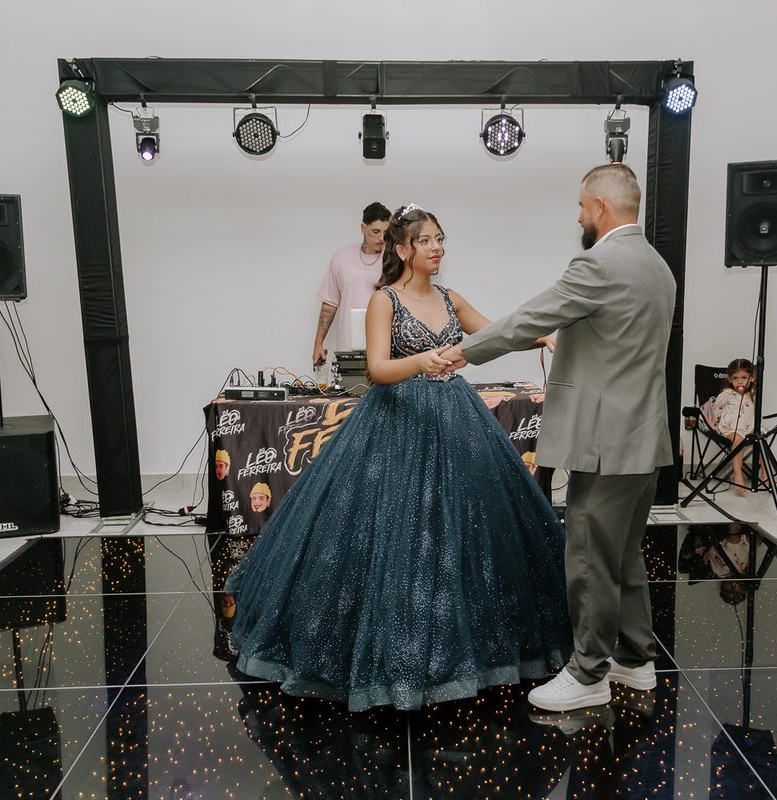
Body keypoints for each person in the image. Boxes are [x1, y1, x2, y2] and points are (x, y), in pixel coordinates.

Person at [224, 204, 568, 712]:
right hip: (396, 419)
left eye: (440, 239)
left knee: (464, 526)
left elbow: (494, 334)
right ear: (404, 249)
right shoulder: (384, 300)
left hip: (454, 416)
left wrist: (543, 335)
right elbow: (378, 370)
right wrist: (421, 362)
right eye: (426, 240)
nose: (437, 248)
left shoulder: (451, 298)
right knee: (395, 527)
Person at [439, 164, 676, 713]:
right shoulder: (657, 265)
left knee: (589, 558)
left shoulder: (599, 264)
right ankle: (636, 660)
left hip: (605, 441)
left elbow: (531, 318)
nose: (579, 216)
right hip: (644, 438)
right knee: (624, 556)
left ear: (600, 206)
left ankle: (589, 673)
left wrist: (462, 351)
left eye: (581, 206)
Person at [312, 202, 391, 366]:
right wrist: (318, 343)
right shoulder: (342, 256)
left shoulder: (393, 259)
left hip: (385, 351)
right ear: (363, 228)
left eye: (386, 232)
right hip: (347, 350)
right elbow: (330, 302)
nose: (382, 238)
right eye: (376, 232)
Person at [705, 358, 769, 494]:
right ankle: (738, 475)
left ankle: (765, 472)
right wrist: (716, 427)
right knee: (738, 439)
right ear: (730, 379)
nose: (740, 382)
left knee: (761, 437)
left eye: (744, 378)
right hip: (731, 428)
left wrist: (757, 426)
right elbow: (716, 412)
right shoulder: (726, 394)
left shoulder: (754, 393)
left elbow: (756, 412)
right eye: (736, 378)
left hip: (749, 426)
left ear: (752, 377)